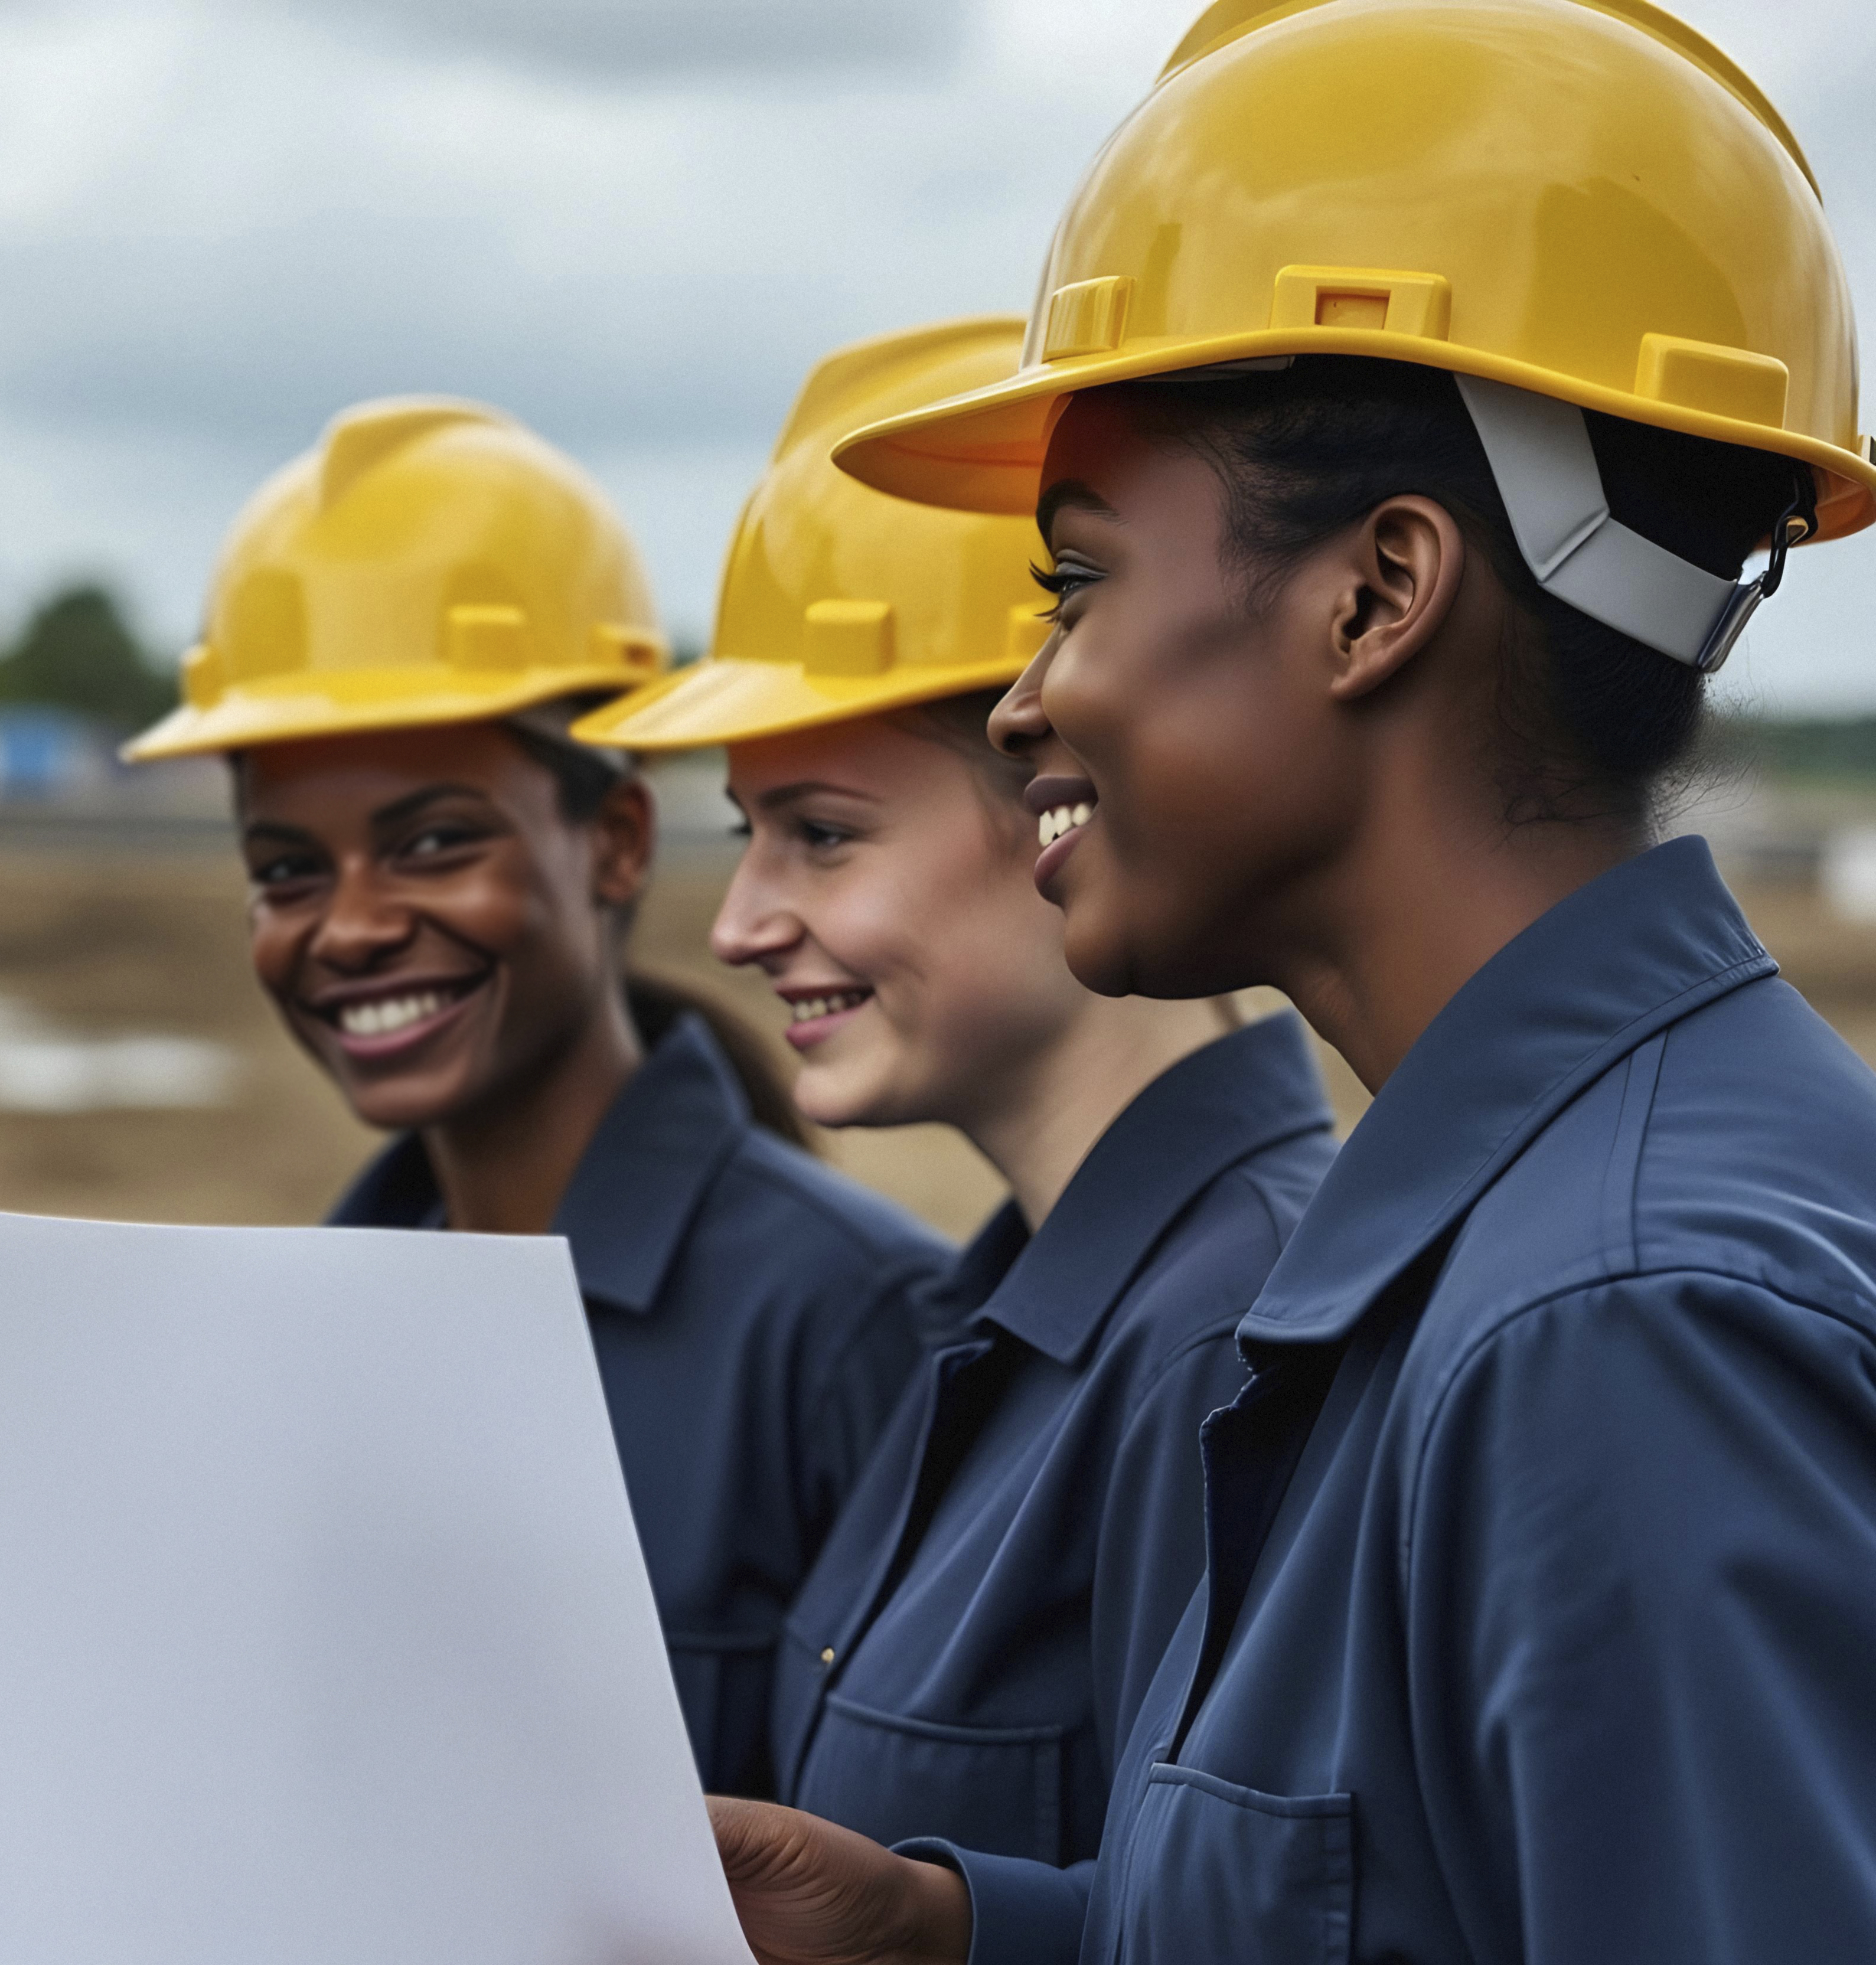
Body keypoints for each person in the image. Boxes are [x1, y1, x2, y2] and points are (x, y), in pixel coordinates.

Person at [714, 3, 1876, 1960]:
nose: (1023, 697)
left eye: (1074, 580)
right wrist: (945, 1928)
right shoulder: (1502, 1246)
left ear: (1373, 593)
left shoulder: (1620, 1323)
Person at [573, 316, 1333, 1869]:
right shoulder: (1019, 1324)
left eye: (825, 835)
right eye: (748, 836)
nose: (737, 926)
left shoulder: (1231, 1343)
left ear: (1066, 783)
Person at [122, 397, 954, 1797]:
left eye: (433, 843)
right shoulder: (287, 1329)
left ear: (615, 837)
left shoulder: (853, 1329)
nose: (349, 927)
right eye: (285, 870)